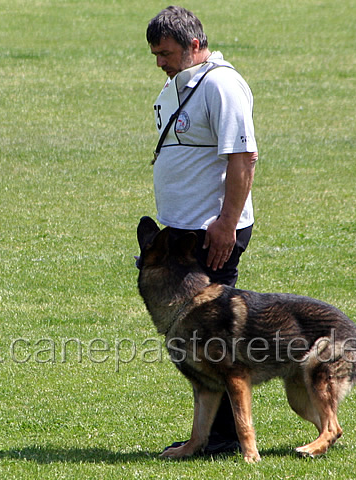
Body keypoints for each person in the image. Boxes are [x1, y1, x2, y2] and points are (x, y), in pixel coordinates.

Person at [146, 6, 258, 455]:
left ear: (194, 45)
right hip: (184, 232)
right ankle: (211, 435)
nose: (159, 61)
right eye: (155, 54)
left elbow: (243, 157)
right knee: (193, 335)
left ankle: (226, 438)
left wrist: (227, 223)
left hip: (211, 233)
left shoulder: (222, 85)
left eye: (166, 52)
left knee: (212, 336)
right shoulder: (179, 84)